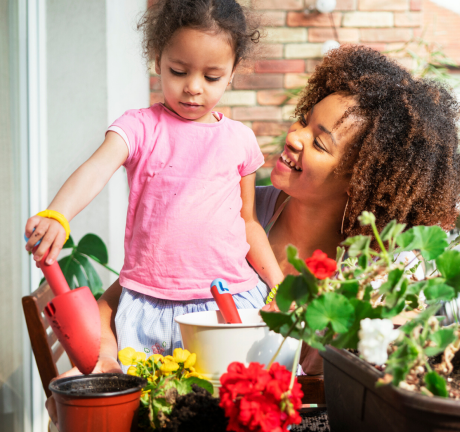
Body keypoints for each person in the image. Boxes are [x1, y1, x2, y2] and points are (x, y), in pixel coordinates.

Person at [47, 44, 460, 422]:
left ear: (364, 180)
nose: (295, 137)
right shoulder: (234, 209)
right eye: (303, 121)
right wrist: (102, 357)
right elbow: (134, 289)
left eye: (320, 143)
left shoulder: (374, 271)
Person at [25, 0, 284, 358]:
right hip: (152, 306)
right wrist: (59, 212)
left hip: (229, 300)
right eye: (178, 71)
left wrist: (278, 284)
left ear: (233, 69)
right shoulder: (140, 127)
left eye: (212, 77)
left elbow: (248, 222)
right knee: (157, 409)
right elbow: (97, 168)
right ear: (158, 58)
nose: (194, 87)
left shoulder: (240, 140)